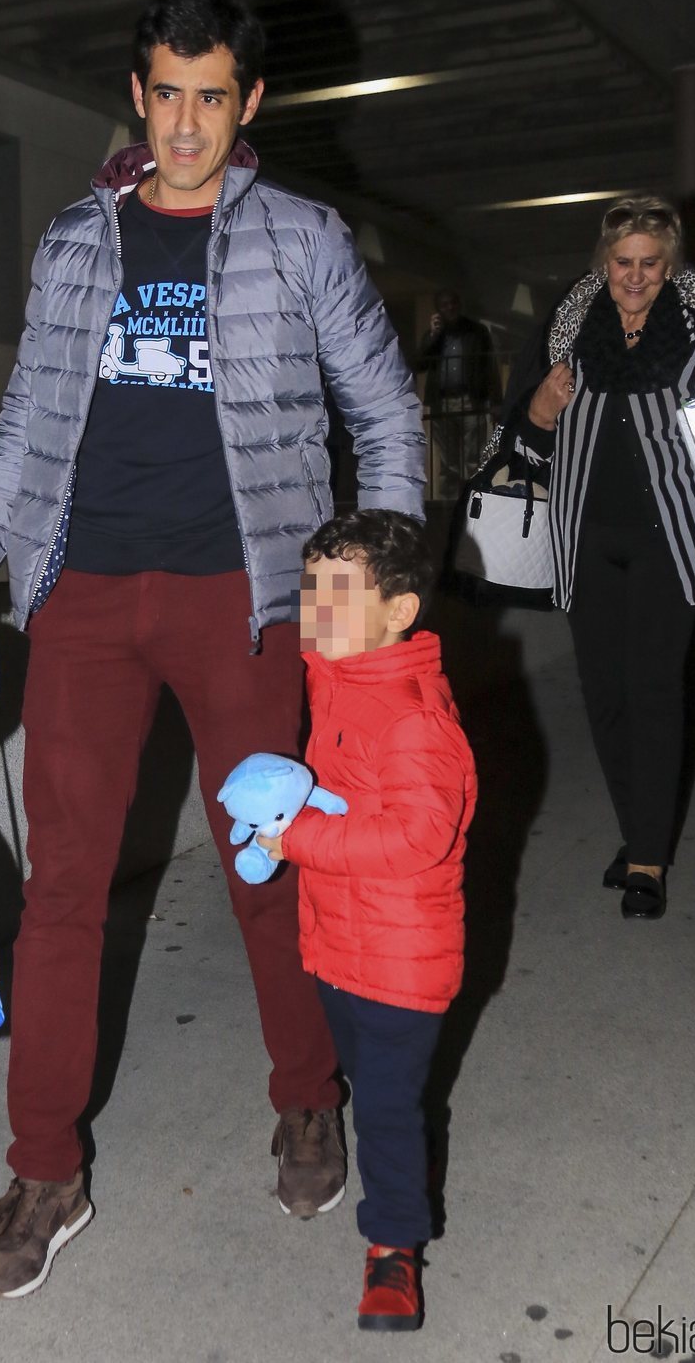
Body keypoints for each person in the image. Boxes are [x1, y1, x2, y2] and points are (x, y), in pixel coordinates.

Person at [0, 0, 426, 1299]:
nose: (187, 123)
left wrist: (380, 579)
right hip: (85, 595)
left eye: (213, 97)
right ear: (136, 98)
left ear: (247, 104)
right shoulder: (77, 242)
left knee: (268, 868)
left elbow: (383, 403)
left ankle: (308, 1094)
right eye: (166, 94)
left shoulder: (301, 239)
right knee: (65, 886)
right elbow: (26, 430)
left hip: (241, 595)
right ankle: (44, 1167)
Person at [499, 197, 695, 920]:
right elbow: (523, 451)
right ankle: (639, 832)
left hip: (674, 538)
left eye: (649, 264)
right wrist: (538, 411)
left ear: (670, 265)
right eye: (623, 263)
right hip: (585, 540)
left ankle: (647, 859)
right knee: (605, 698)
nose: (635, 276)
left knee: (654, 690)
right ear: (604, 262)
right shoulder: (569, 333)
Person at [256, 509, 477, 1331]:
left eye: (340, 593)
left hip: (401, 963)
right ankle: (391, 1209)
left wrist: (301, 835)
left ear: (400, 613)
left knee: (387, 1108)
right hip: (341, 944)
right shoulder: (337, 675)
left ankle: (395, 1251)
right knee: (367, 1083)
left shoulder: (417, 717)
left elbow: (418, 835)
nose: (316, 607)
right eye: (311, 587)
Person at [419, 290, 499, 491]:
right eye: (444, 305)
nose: (449, 308)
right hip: (443, 401)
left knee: (474, 456)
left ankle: (475, 498)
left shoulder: (476, 331)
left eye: (452, 303)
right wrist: (433, 336)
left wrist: (496, 402)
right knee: (448, 462)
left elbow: (489, 367)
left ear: (459, 304)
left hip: (471, 399)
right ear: (438, 309)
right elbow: (420, 363)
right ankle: (449, 503)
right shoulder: (434, 335)